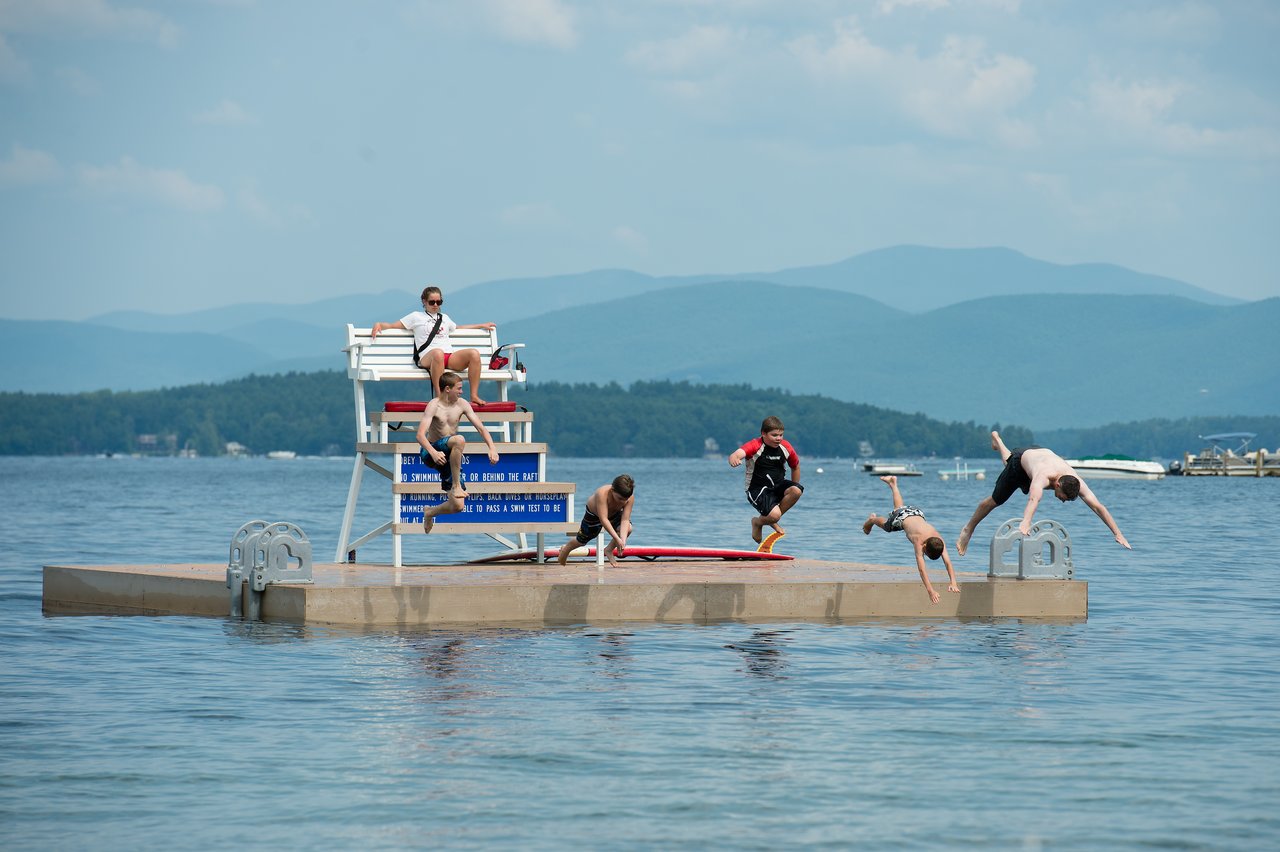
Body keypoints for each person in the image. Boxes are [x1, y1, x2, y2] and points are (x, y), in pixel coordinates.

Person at [956, 430, 1132, 555]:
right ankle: (968, 529)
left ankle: (998, 441)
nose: (1063, 502)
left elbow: (1098, 507)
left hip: (1035, 453)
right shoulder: (1043, 477)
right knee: (995, 500)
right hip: (1020, 463)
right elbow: (1034, 499)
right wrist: (1026, 522)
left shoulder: (1075, 480)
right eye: (1063, 498)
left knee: (1007, 461)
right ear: (1057, 484)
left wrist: (1117, 533)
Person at [370, 285, 496, 405]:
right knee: (438, 353)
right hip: (428, 357)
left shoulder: (444, 317)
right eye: (432, 302)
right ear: (424, 301)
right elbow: (393, 325)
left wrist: (481, 325)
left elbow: (458, 327)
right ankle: (440, 396)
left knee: (473, 354)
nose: (435, 305)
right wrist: (379, 324)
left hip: (448, 356)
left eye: (438, 302)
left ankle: (474, 395)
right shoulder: (416, 316)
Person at [415, 372, 500, 533]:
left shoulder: (462, 404)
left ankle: (429, 513)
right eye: (459, 388)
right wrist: (433, 452)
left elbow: (481, 428)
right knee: (459, 439)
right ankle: (455, 486)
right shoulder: (434, 405)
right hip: (430, 452)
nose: (462, 392)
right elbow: (420, 435)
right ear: (448, 389)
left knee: (458, 506)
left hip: (449, 456)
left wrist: (492, 447)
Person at [862, 475, 960, 604]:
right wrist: (930, 591)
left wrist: (953, 582)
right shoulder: (919, 542)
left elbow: (948, 563)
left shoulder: (939, 541)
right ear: (924, 547)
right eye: (925, 553)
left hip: (916, 512)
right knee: (887, 526)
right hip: (902, 519)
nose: (923, 554)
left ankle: (893, 484)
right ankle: (872, 519)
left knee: (899, 508)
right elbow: (921, 569)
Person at [728, 416, 803, 544]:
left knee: (796, 490)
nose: (778, 438)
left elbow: (795, 466)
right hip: (757, 489)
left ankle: (771, 519)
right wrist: (734, 459)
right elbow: (735, 454)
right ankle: (758, 522)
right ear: (763, 433)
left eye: (781, 435)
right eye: (774, 435)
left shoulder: (786, 447)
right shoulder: (755, 445)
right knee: (774, 515)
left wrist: (794, 485)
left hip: (778, 485)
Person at [557, 475, 635, 567]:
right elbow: (603, 519)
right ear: (612, 490)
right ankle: (566, 549)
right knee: (581, 541)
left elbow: (625, 520)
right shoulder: (602, 493)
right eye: (620, 499)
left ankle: (609, 550)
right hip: (594, 515)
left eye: (625, 500)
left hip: (614, 514)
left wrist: (622, 541)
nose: (622, 502)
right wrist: (617, 539)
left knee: (628, 529)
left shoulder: (629, 498)